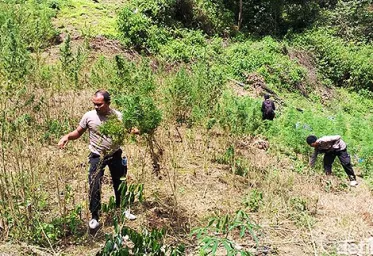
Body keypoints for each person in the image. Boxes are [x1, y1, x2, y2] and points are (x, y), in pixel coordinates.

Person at [58, 90, 136, 230]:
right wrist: (67, 137)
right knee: (94, 185)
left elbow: (130, 129)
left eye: (99, 104)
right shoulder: (89, 116)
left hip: (115, 154)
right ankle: (95, 217)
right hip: (96, 155)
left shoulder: (118, 116)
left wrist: (138, 130)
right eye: (94, 104)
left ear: (108, 103)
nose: (96, 107)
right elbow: (78, 132)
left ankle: (123, 209)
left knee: (120, 183)